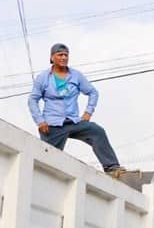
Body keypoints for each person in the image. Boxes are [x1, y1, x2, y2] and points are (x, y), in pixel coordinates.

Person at [28, 43, 126, 176]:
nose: (63, 57)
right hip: (52, 124)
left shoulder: (76, 76)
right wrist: (40, 121)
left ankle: (112, 168)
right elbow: (32, 100)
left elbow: (93, 92)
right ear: (52, 58)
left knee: (97, 131)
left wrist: (88, 112)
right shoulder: (43, 78)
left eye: (66, 55)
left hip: (74, 122)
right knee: (47, 161)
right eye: (60, 55)